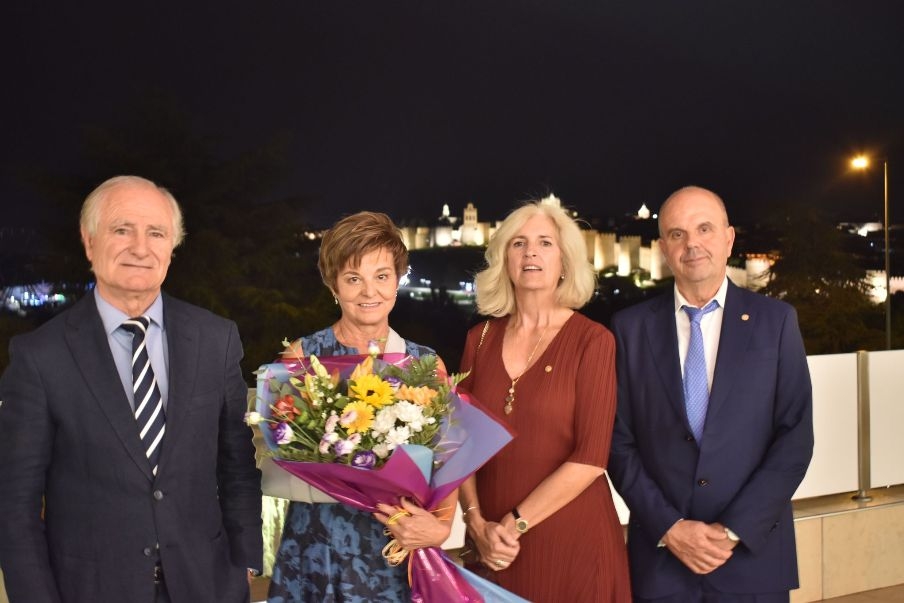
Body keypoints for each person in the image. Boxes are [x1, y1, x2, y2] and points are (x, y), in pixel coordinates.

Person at [0, 175, 263, 603]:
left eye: (156, 233)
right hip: (88, 590)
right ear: (89, 242)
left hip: (207, 584)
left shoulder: (216, 339)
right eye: (122, 230)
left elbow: (236, 464)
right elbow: (15, 506)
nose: (140, 248)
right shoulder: (39, 356)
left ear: (171, 248)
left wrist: (246, 559)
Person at [608, 186, 814, 602]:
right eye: (678, 234)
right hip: (663, 563)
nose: (692, 244)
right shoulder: (629, 329)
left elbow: (794, 438)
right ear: (664, 247)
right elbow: (617, 442)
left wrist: (732, 530)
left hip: (753, 559)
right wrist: (670, 527)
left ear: (729, 238)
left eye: (704, 228)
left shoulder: (775, 323)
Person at [267, 211, 455, 603]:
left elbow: (451, 458)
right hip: (315, 548)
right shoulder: (302, 358)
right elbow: (277, 453)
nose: (369, 292)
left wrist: (440, 526)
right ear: (333, 284)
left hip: (394, 548)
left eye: (382, 276)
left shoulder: (427, 365)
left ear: (398, 281)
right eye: (354, 279)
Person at [457, 201, 631, 602]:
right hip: (489, 547)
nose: (530, 252)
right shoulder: (478, 340)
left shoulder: (593, 341)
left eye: (544, 243)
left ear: (565, 261)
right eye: (519, 243)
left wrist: (512, 526)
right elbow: (460, 445)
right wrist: (478, 524)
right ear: (505, 259)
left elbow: (591, 457)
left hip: (570, 541)